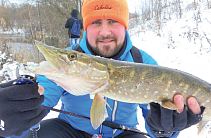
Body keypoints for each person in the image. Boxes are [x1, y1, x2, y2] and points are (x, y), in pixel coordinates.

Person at [0, 0, 205, 138]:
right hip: (71, 130)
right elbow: (43, 96)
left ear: (124, 25)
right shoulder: (71, 58)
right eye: (96, 22)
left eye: (113, 21)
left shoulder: (142, 61)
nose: (105, 31)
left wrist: (164, 129)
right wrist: (14, 113)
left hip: (124, 133)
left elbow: (154, 121)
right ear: (86, 26)